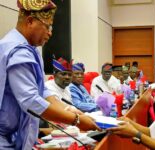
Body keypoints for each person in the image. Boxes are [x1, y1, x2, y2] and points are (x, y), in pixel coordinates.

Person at [0, 1, 99, 149]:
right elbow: (31, 101)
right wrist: (76, 120)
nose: (50, 32)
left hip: (17, 134)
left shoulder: (31, 49)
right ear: (30, 21)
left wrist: (67, 109)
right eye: (47, 26)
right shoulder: (18, 51)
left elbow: (42, 91)